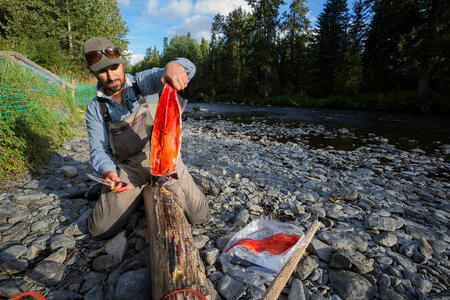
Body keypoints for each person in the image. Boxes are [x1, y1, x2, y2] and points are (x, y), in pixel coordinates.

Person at [83, 37, 215, 239]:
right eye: (102, 71)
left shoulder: (144, 81)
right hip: (129, 170)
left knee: (200, 216)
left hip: (166, 161)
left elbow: (189, 69)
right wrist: (109, 173)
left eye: (114, 67)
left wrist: (173, 66)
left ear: (121, 62)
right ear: (92, 72)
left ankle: (193, 180)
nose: (111, 76)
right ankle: (135, 195)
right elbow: (99, 150)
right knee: (98, 230)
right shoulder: (95, 109)